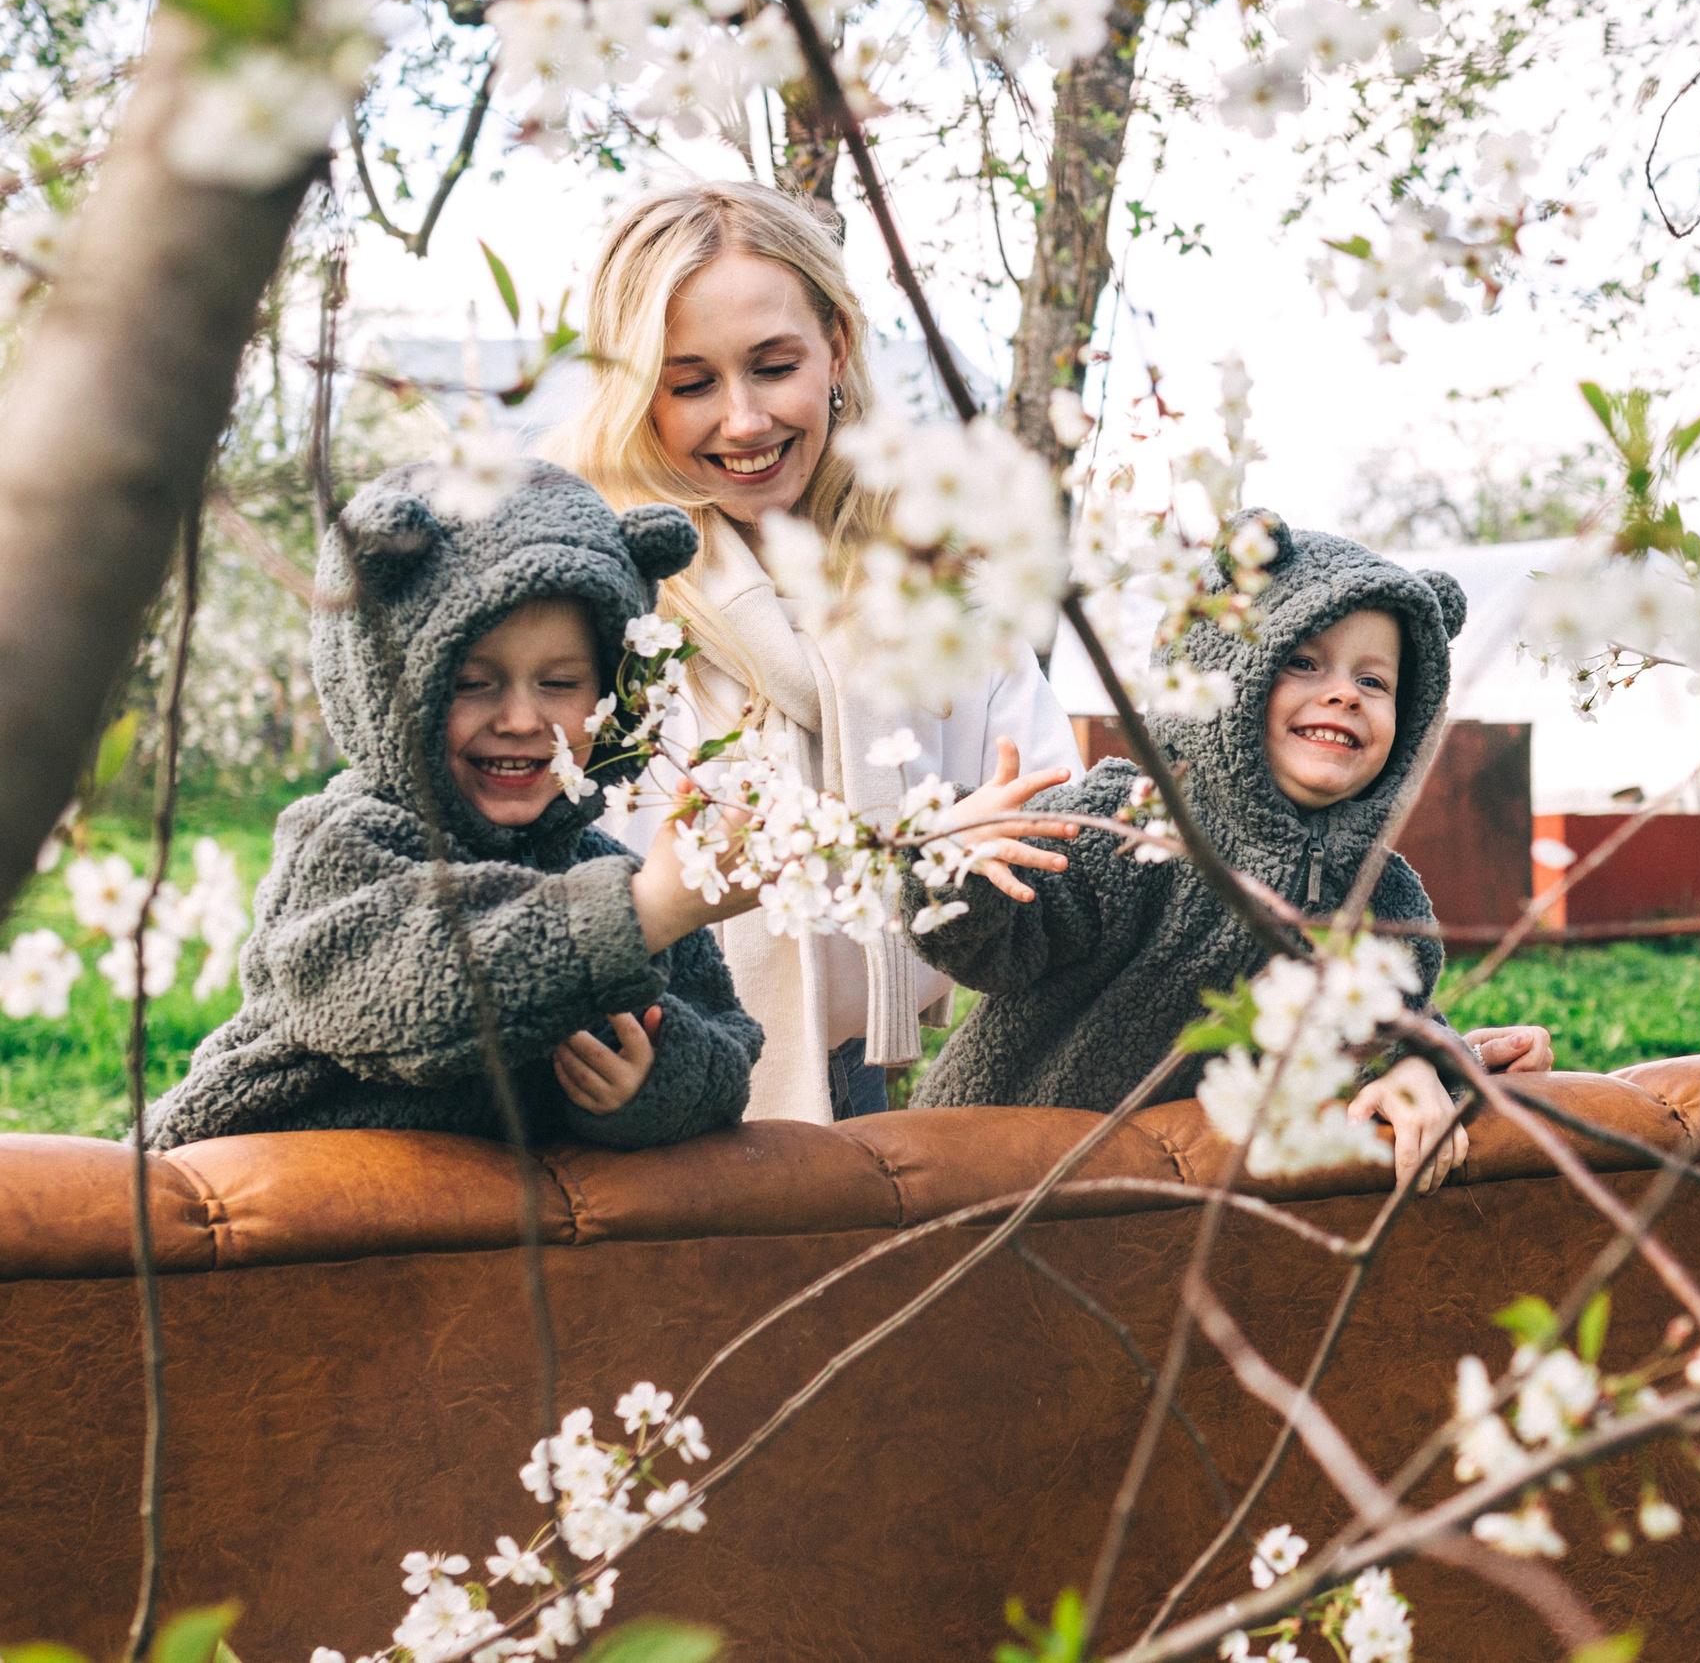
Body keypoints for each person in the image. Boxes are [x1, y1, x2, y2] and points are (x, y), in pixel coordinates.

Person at [551, 180, 1080, 1126]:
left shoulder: (933, 588)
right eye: (692, 384)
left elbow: (1050, 821)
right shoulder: (607, 601)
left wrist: (963, 861)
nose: (745, 420)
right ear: (637, 395)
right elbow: (539, 846)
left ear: (835, 344)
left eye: (773, 365)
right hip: (629, 1076)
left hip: (855, 1082)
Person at [902, 514, 1555, 1195]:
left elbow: (1373, 1027)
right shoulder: (1135, 822)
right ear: (1222, 665)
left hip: (1174, 1230)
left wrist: (1432, 1058)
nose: (1342, 693)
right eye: (1302, 661)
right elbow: (996, 950)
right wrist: (955, 867)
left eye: (1375, 682)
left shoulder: (1381, 897)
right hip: (986, 1184)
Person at [146, 465, 765, 1150]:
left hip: (476, 1236)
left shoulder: (603, 870)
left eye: (560, 682)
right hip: (262, 1206)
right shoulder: (345, 844)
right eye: (471, 682)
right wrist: (645, 913)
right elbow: (407, 992)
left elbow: (726, 1050)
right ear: (384, 684)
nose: (522, 718)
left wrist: (645, 1082)